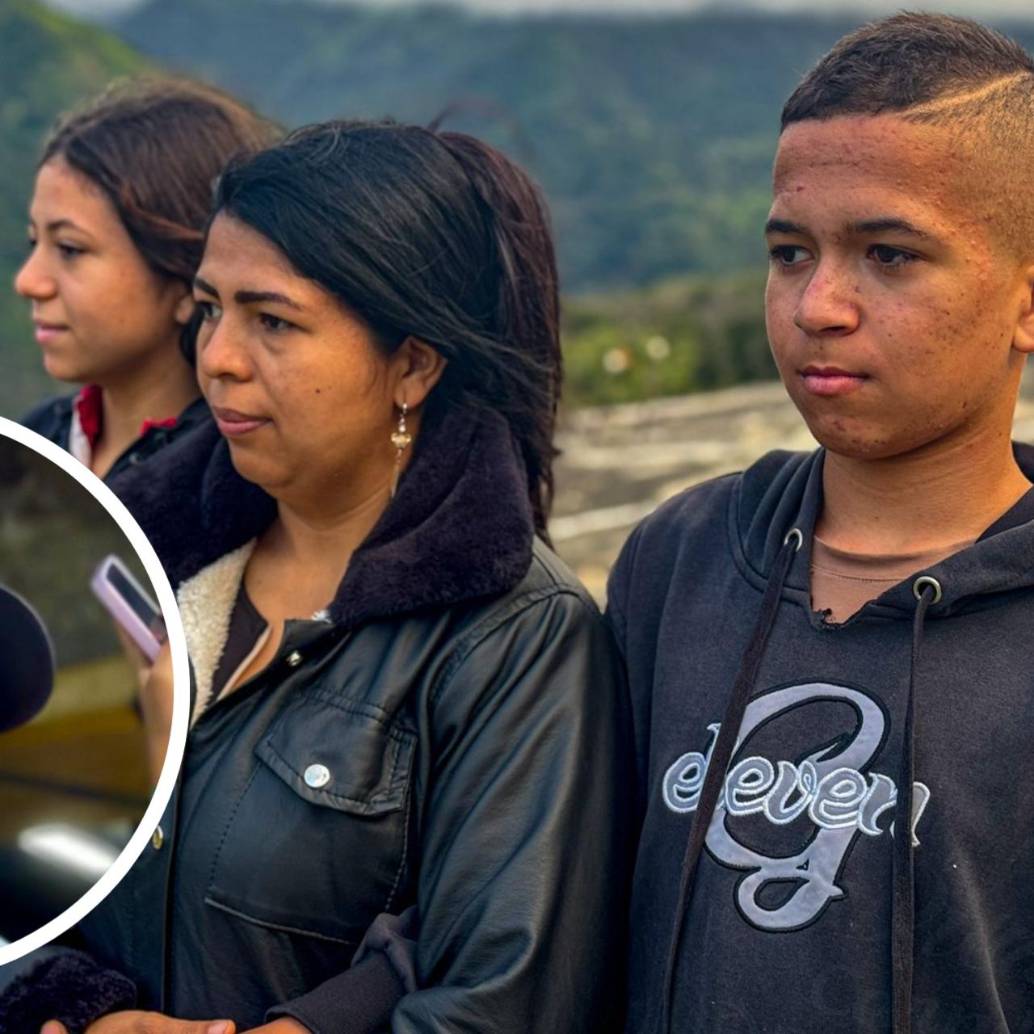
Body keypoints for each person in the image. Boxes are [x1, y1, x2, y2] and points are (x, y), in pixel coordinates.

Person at [5, 119, 632, 1034]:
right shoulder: (132, 564)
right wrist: (77, 1010)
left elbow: (503, 998)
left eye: (273, 321)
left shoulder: (514, 643)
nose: (216, 356)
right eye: (212, 308)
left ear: (411, 363)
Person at [607, 13, 1034, 1034]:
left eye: (888, 255)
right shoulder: (682, 559)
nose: (817, 305)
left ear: (1026, 300)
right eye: (789, 251)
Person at [13, 78, 277, 479]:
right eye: (35, 241)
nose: (29, 282)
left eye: (70, 249)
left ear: (188, 275)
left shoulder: (234, 481)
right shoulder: (34, 445)